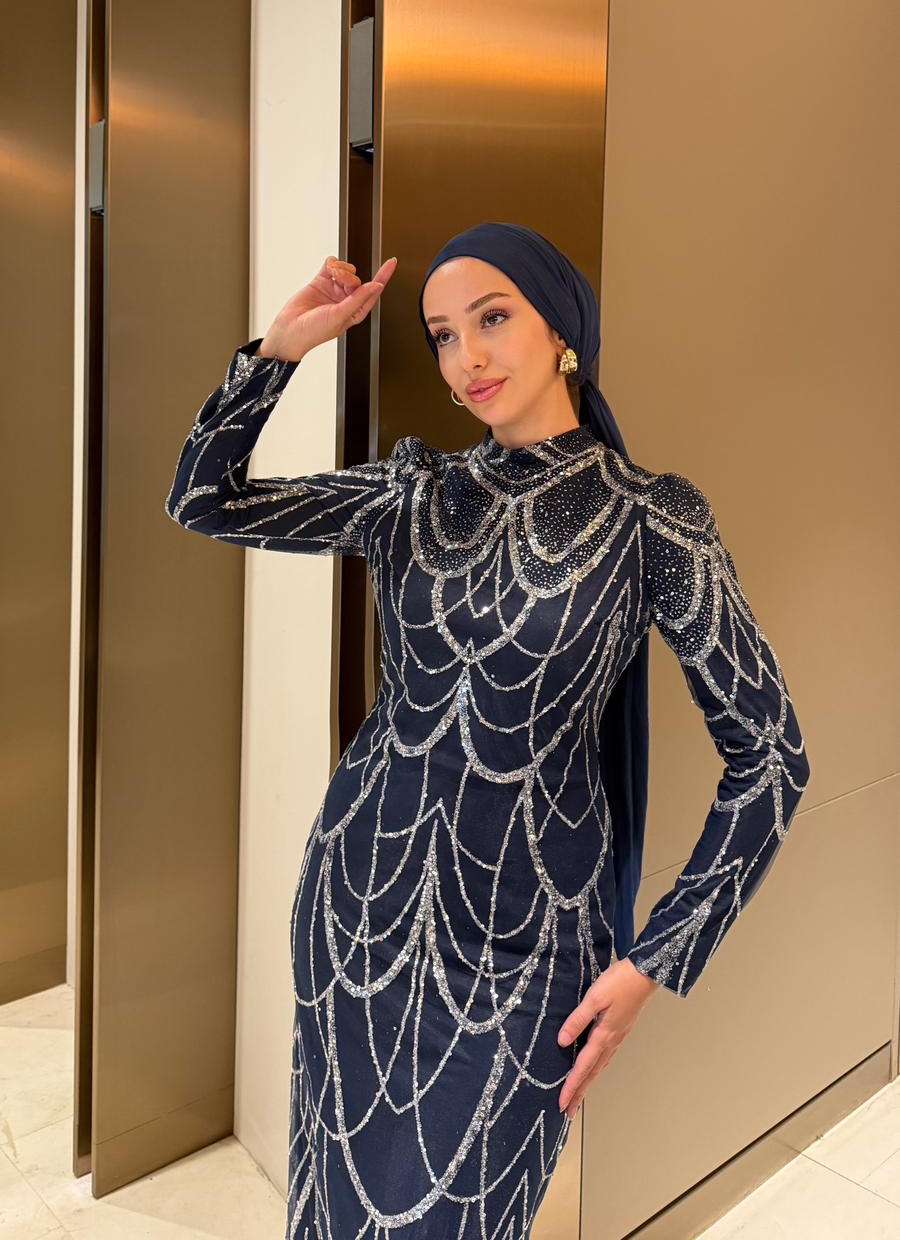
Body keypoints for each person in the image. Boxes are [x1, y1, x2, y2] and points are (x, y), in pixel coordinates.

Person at [165, 222, 811, 1240]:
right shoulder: (412, 493)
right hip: (359, 915)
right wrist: (281, 350)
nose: (467, 356)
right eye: (441, 335)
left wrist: (656, 960)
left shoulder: (654, 518)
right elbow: (205, 500)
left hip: (531, 950)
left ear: (562, 329)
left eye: (493, 318)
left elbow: (772, 754)